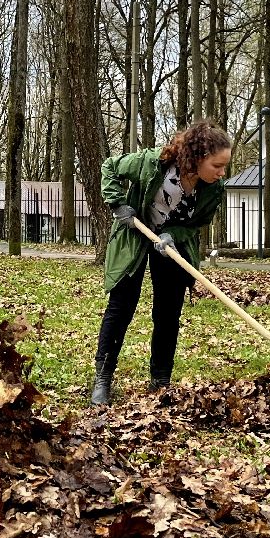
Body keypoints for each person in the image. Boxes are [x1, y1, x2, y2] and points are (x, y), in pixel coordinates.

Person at [91, 120, 232, 405]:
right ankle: (103, 379)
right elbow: (110, 167)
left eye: (224, 166)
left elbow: (198, 223)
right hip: (135, 235)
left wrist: (173, 234)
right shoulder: (152, 162)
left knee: (168, 313)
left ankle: (160, 381)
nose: (222, 172)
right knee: (121, 306)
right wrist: (119, 204)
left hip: (172, 245)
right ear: (197, 157)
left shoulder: (214, 189)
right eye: (217, 165)